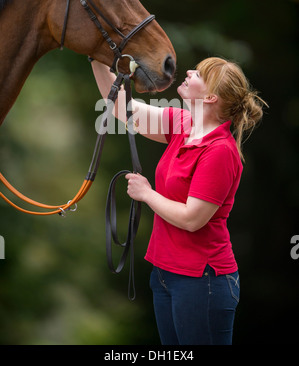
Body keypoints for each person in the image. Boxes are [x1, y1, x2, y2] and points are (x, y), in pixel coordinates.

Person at [91, 56, 267, 345]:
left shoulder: (220, 151)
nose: (188, 72)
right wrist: (95, 57)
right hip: (164, 273)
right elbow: (122, 108)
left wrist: (147, 194)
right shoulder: (181, 123)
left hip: (202, 280)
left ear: (211, 97)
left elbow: (192, 218)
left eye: (198, 73)